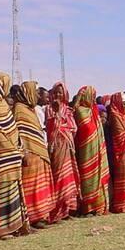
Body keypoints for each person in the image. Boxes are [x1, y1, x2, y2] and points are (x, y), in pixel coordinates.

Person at [0, 72, 30, 238]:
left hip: (13, 153)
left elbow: (12, 128)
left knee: (14, 190)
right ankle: (2, 228)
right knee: (2, 190)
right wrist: (12, 150)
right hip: (0, 154)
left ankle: (15, 225)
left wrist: (19, 149)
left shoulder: (3, 103)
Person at [13, 81, 56, 228]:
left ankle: (41, 216)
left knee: (40, 186)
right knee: (31, 187)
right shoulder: (19, 109)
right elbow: (20, 134)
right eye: (35, 92)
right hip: (29, 154)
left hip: (39, 152)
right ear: (28, 93)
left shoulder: (30, 109)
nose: (37, 95)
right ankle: (33, 217)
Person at [45, 81, 81, 221]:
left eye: (60, 92)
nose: (57, 95)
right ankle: (57, 211)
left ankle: (67, 210)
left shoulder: (68, 109)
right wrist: (57, 116)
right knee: (58, 176)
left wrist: (63, 125)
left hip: (67, 146)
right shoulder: (48, 109)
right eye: (55, 92)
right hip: (56, 147)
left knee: (68, 177)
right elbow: (50, 126)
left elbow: (73, 127)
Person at [73, 86, 110, 215]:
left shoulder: (94, 111)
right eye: (92, 96)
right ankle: (88, 207)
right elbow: (83, 130)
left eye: (95, 96)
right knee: (88, 178)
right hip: (86, 151)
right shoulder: (79, 111)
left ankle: (100, 207)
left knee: (99, 178)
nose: (94, 98)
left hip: (98, 151)